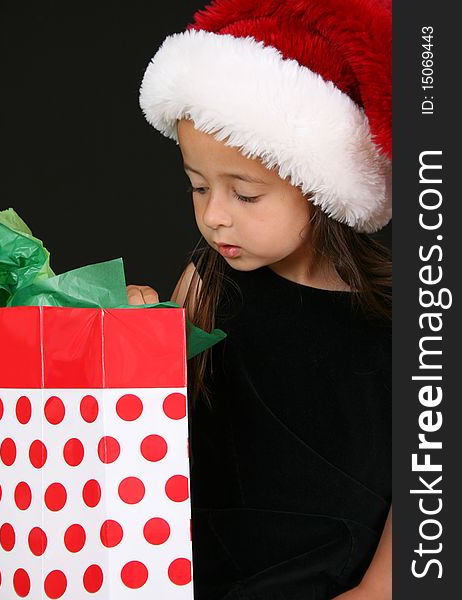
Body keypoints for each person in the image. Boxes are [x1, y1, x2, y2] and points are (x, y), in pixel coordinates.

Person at [127, 0, 392, 598]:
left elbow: (427, 482)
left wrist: (376, 592)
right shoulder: (207, 283)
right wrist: (137, 341)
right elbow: (161, 441)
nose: (213, 217)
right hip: (208, 576)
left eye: (245, 194)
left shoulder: (402, 319)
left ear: (318, 186)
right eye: (198, 186)